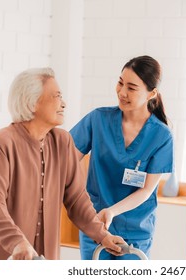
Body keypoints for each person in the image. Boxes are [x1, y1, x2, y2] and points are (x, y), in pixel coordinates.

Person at [0, 67, 124, 260]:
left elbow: (76, 199)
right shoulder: (1, 143)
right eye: (57, 96)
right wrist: (17, 242)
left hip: (36, 252)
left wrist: (103, 235)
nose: (64, 103)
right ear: (32, 103)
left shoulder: (63, 142)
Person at [70, 55, 174, 260]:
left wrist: (111, 211)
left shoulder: (161, 136)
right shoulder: (98, 120)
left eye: (132, 88)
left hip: (135, 230)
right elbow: (65, 162)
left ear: (151, 93)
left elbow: (146, 191)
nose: (122, 92)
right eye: (120, 83)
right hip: (95, 226)